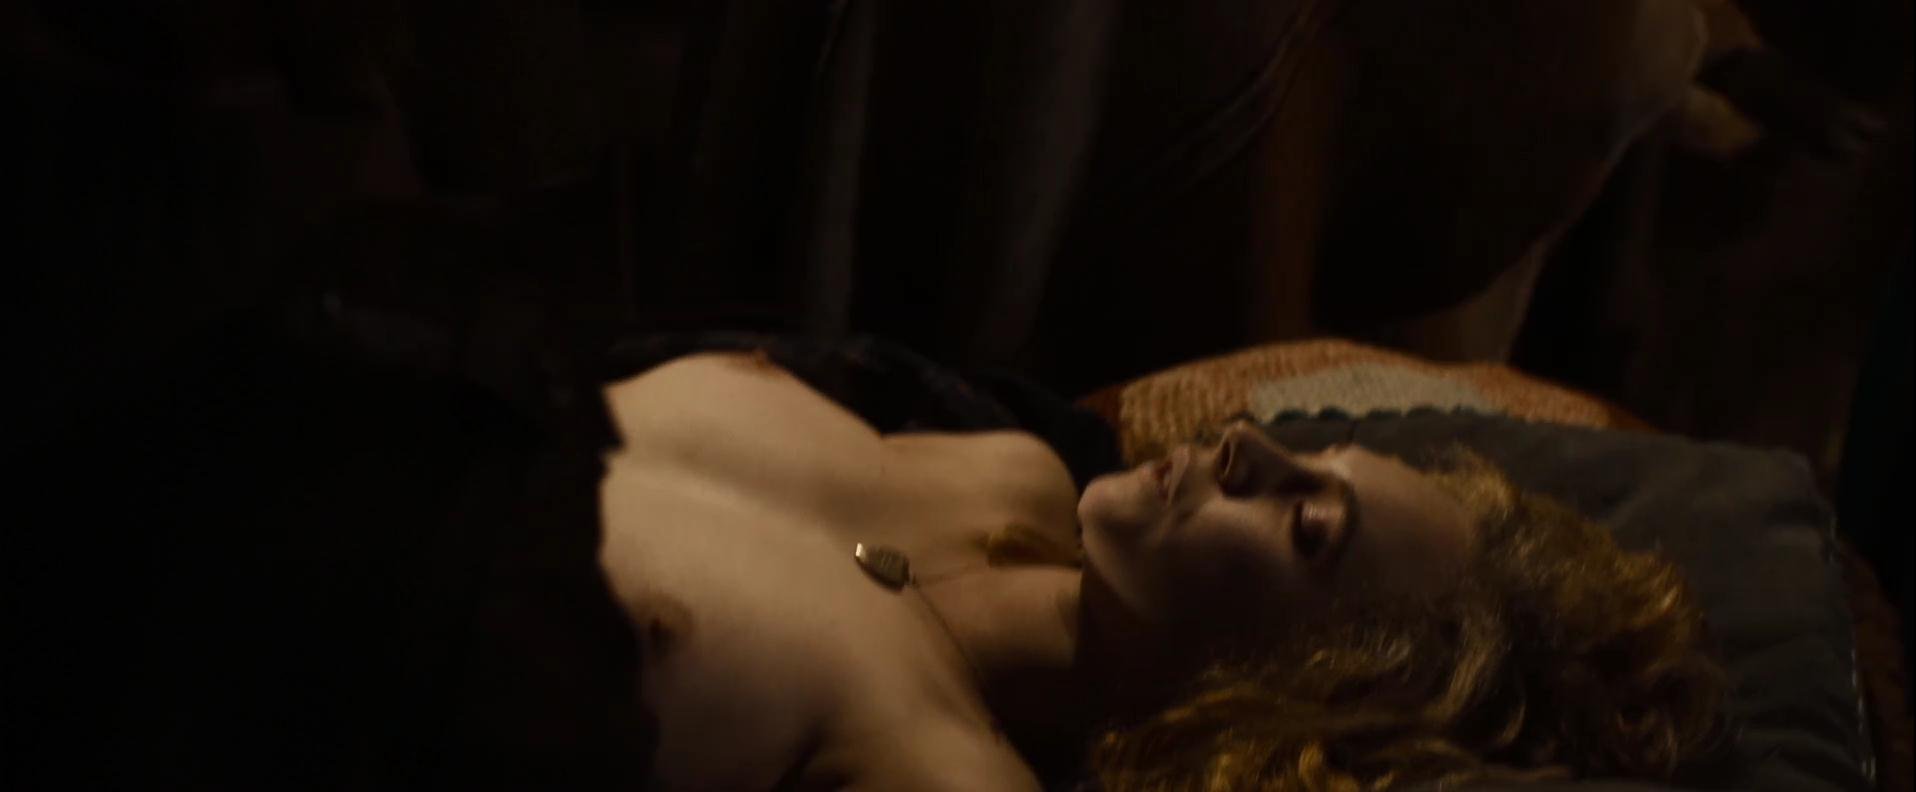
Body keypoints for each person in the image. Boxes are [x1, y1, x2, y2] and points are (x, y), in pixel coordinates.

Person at [598, 350, 1732, 791]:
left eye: (1307, 525)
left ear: (1296, 699)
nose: (1248, 448)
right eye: (1310, 456)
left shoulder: (939, 770)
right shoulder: (1010, 468)